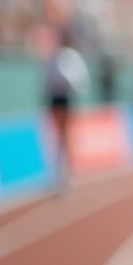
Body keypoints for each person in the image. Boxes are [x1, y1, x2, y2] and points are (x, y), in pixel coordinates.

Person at [42, 29, 89, 191]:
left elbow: (80, 80)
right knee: (58, 136)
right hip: (55, 99)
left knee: (65, 136)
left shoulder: (72, 57)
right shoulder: (54, 57)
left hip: (65, 98)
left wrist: (69, 82)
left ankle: (66, 173)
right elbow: (46, 78)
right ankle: (59, 172)